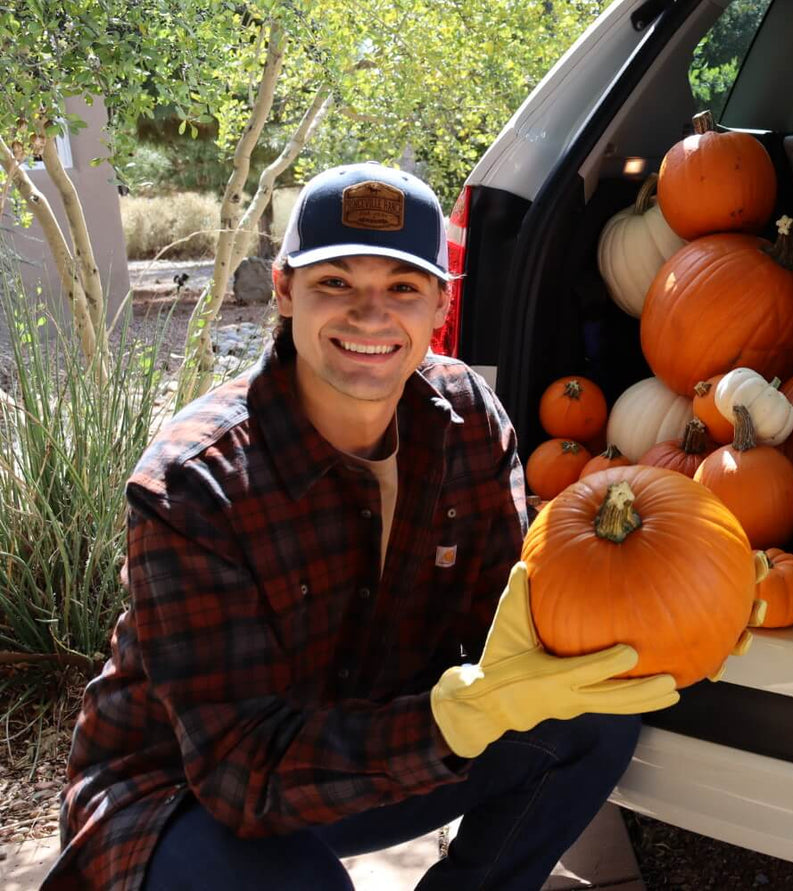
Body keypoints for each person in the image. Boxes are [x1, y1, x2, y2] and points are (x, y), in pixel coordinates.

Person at [43, 163, 681, 891]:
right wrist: (446, 725)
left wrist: (670, 578)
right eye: (336, 284)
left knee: (590, 720)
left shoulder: (468, 420)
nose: (370, 315)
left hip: (367, 747)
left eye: (403, 288)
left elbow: (518, 618)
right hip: (183, 792)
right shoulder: (197, 483)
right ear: (284, 291)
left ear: (441, 304)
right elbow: (238, 774)